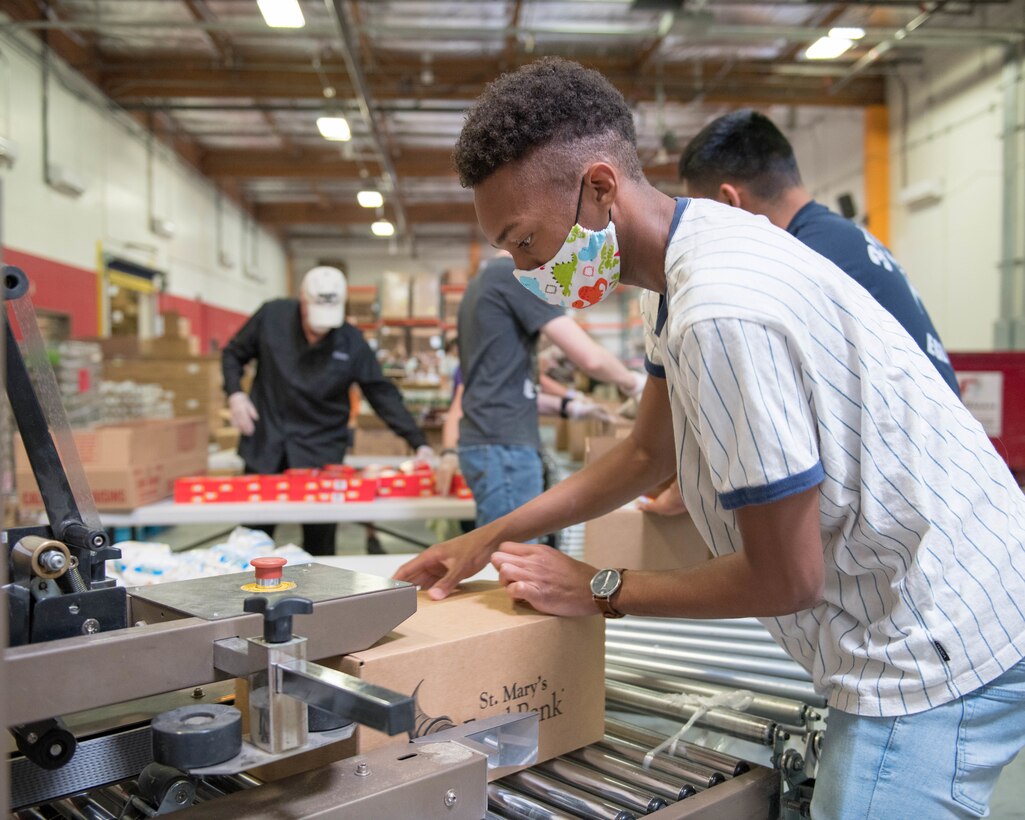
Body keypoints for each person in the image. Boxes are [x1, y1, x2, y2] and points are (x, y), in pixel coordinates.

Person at [396, 58, 1025, 818]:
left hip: (937, 631)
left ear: (600, 187)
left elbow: (786, 578)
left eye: (525, 241)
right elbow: (646, 453)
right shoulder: (682, 258)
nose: (527, 269)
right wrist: (490, 535)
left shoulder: (720, 311)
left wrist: (599, 588)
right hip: (941, 580)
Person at [641, 108, 963, 518]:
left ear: (728, 202)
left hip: (920, 491)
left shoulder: (801, 261)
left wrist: (692, 489)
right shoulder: (838, 237)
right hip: (940, 467)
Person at [223, 266, 433, 555]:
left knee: (319, 545)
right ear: (303, 300)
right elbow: (233, 354)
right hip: (267, 441)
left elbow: (380, 392)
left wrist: (419, 442)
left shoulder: (351, 341)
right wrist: (235, 394)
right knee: (253, 539)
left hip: (320, 451)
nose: (319, 330)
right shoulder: (272, 316)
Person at [441, 252, 643, 534]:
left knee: (507, 549)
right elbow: (590, 358)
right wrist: (634, 383)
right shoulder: (515, 276)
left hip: (493, 444)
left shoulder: (483, 281)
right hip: (505, 449)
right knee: (515, 552)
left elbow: (507, 391)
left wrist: (572, 408)